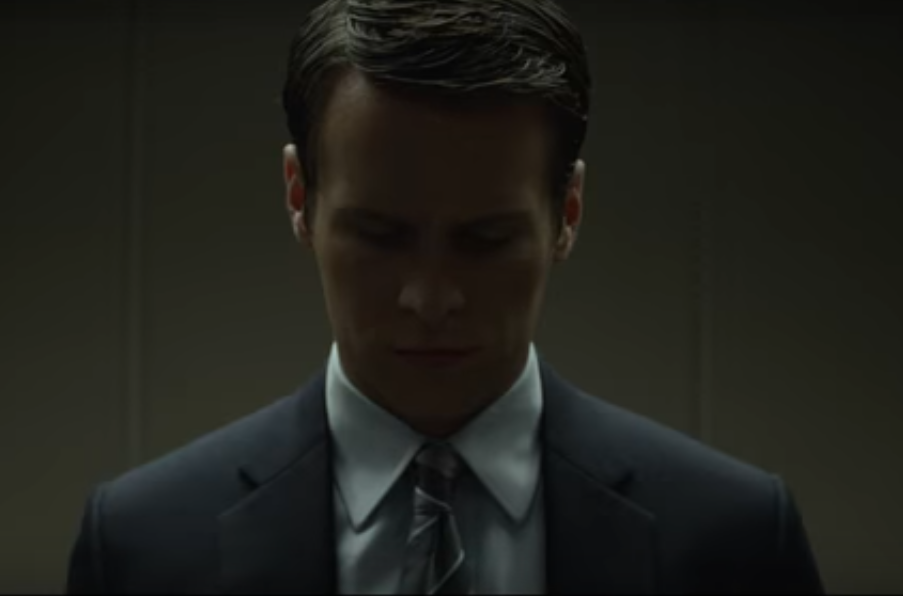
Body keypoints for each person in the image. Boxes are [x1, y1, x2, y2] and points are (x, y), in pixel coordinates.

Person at [67, 0, 825, 593]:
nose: (430, 299)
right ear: (299, 197)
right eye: (378, 235)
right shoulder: (142, 547)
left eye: (485, 239)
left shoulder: (735, 541)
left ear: (568, 211)